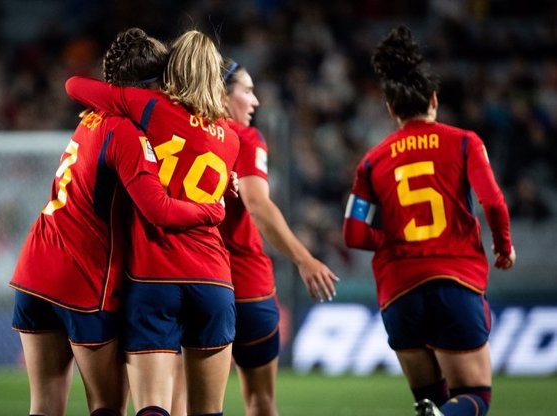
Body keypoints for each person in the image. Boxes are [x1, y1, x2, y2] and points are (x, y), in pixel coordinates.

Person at [9, 28, 227, 416]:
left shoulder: (88, 121)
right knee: (109, 405)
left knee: (43, 405)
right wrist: (212, 208)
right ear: (151, 85)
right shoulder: (126, 132)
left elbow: (74, 84)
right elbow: (157, 208)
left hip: (33, 270)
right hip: (82, 276)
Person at [342, 25, 516, 416]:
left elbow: (352, 233)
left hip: (399, 292)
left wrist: (394, 238)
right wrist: (503, 247)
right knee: (474, 396)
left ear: (391, 109)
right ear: (434, 100)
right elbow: (493, 202)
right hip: (455, 281)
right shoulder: (464, 142)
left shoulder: (372, 161)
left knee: (431, 402)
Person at [65, 30, 240, 416]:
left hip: (153, 277)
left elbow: (76, 85)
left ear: (170, 70)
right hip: (211, 277)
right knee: (208, 410)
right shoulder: (231, 139)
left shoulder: (149, 107)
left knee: (152, 407)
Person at [212, 58, 340, 416]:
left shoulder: (185, 135)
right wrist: (305, 258)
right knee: (261, 400)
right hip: (247, 286)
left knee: (192, 403)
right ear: (222, 96)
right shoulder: (246, 138)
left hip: (196, 285)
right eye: (247, 91)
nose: (254, 101)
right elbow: (257, 203)